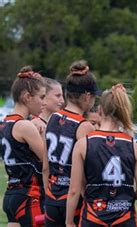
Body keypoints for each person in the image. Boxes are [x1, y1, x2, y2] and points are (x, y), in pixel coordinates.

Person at [65, 83, 137, 226]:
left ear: (99, 110)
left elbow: (74, 190)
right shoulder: (135, 147)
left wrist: (69, 222)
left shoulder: (83, 144)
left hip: (93, 216)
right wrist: (122, 198)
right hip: (124, 218)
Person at [43, 60, 100, 225]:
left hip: (52, 197)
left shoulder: (53, 117)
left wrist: (49, 193)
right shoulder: (84, 126)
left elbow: (46, 166)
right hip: (73, 200)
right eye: (94, 96)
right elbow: (87, 174)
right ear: (87, 96)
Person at [0, 66, 46, 226]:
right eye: (41, 97)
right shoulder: (25, 126)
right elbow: (47, 161)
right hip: (29, 196)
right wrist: (42, 131)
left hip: (12, 194)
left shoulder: (6, 123)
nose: (44, 103)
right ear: (27, 97)